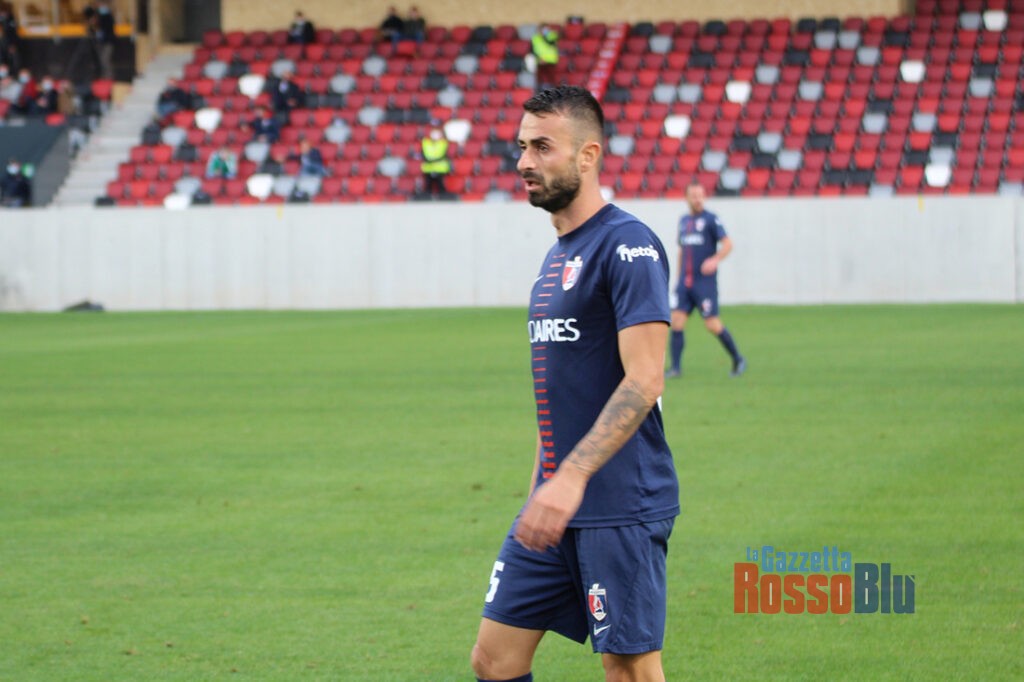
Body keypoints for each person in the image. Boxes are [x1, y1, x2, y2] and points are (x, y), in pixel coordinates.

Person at [470, 85, 678, 682]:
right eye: (520, 147)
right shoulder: (556, 257)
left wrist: (572, 478)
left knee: (628, 669)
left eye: (542, 147)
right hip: (554, 502)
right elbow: (560, 391)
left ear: (588, 156)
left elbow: (645, 378)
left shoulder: (628, 244)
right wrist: (542, 485)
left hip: (618, 503)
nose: (524, 162)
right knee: (494, 659)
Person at [665, 181, 746, 378]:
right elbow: (682, 250)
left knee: (712, 324)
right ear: (687, 198)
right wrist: (678, 279)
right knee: (676, 322)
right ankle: (675, 368)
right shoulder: (684, 221)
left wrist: (715, 259)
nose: (698, 199)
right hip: (685, 283)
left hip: (704, 283)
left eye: (700, 195)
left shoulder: (711, 219)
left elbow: (728, 244)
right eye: (694, 196)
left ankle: (738, 358)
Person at [420, 123, 450, 197]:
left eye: (437, 134)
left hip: (440, 168)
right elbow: (423, 153)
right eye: (433, 133)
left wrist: (432, 160)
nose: (435, 135)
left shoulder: (443, 143)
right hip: (428, 168)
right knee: (428, 186)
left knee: (441, 186)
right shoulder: (425, 143)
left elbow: (443, 155)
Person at [529, 24, 559, 90]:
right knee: (539, 79)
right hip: (540, 61)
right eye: (542, 29)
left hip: (551, 61)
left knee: (552, 78)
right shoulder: (535, 38)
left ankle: (553, 91)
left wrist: (546, 35)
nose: (544, 31)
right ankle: (539, 91)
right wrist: (539, 58)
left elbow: (551, 43)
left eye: (546, 29)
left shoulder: (552, 36)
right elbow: (532, 50)